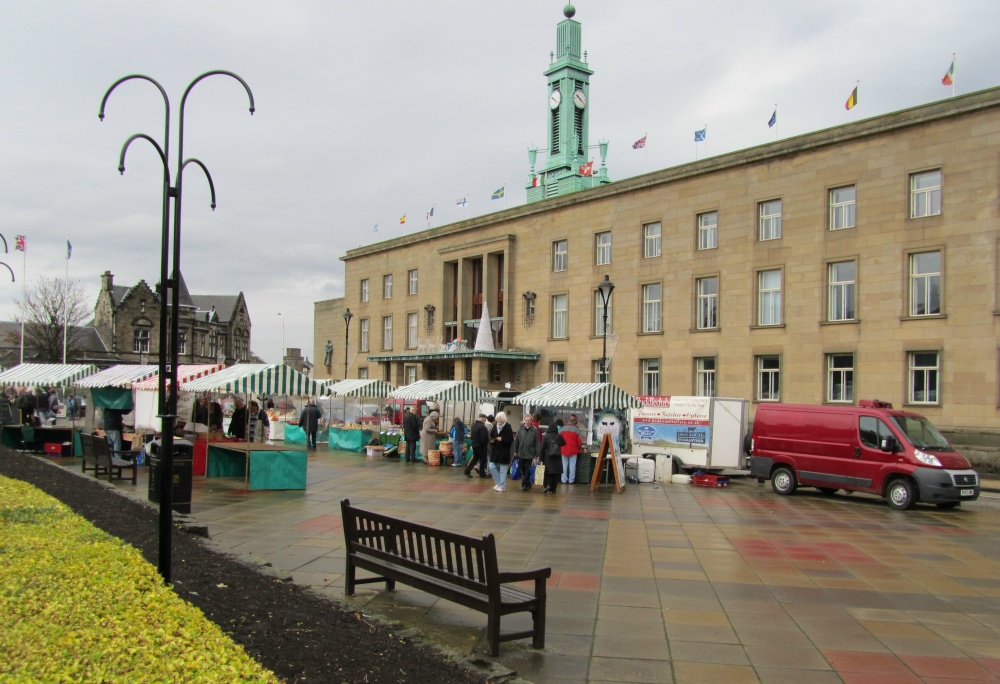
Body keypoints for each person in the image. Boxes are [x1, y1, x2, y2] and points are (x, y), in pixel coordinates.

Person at [512, 414, 540, 492]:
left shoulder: (534, 429)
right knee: (523, 469)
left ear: (531, 421)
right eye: (526, 420)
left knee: (527, 469)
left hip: (530, 453)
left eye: (529, 420)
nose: (527, 422)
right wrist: (515, 451)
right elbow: (516, 441)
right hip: (521, 453)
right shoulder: (520, 429)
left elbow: (537, 442)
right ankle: (528, 483)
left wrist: (536, 454)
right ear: (524, 420)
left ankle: (524, 484)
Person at [488, 412, 513, 492]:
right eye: (498, 418)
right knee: (491, 466)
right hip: (495, 451)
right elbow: (491, 436)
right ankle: (498, 482)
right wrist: (492, 441)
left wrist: (502, 439)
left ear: (504, 419)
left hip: (504, 451)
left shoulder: (508, 427)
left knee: (503, 469)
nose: (499, 419)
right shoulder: (495, 426)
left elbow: (510, 440)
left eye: (501, 418)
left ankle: (502, 486)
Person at [540, 423, 565, 493]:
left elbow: (542, 448)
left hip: (547, 458)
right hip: (557, 458)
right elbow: (564, 443)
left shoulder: (546, 436)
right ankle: (553, 488)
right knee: (556, 474)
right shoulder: (559, 436)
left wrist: (541, 459)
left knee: (547, 473)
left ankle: (546, 486)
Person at [464, 413, 490, 478]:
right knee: (482, 460)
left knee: (475, 459)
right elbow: (483, 438)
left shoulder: (474, 425)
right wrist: (485, 444)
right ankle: (482, 474)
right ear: (483, 419)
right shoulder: (482, 427)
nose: (485, 421)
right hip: (481, 446)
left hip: (474, 445)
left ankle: (467, 471)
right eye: (485, 420)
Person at [560, 414, 583, 484]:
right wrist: (580, 448)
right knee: (572, 466)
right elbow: (579, 442)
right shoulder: (576, 430)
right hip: (573, 450)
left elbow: (558, 438)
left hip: (563, 450)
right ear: (575, 421)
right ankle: (571, 480)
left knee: (564, 465)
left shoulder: (562, 429)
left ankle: (564, 480)